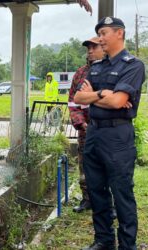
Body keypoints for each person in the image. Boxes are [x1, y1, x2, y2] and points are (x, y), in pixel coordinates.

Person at [74, 17, 145, 250]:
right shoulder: (96, 67)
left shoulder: (133, 65)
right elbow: (78, 98)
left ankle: (127, 245)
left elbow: (118, 103)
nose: (100, 39)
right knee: (96, 191)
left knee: (121, 193)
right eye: (99, 34)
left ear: (119, 33)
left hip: (118, 137)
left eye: (104, 33)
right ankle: (104, 241)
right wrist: (104, 93)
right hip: (94, 134)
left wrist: (97, 96)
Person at [68, 37, 104, 213]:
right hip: (85, 131)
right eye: (88, 48)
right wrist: (81, 123)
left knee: (106, 167)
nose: (89, 50)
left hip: (106, 130)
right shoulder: (80, 73)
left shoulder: (110, 70)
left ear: (104, 48)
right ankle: (87, 199)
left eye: (94, 47)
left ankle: (107, 203)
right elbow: (72, 103)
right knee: (85, 166)